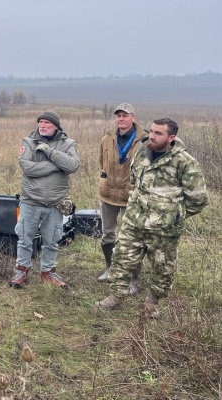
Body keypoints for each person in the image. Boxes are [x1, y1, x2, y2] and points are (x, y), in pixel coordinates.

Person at [96, 118, 208, 318]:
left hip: (163, 229)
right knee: (121, 257)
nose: (152, 136)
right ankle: (116, 296)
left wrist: (172, 216)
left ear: (171, 138)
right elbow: (134, 182)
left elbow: (198, 200)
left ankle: (153, 301)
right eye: (152, 131)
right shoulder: (142, 154)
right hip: (134, 221)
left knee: (162, 267)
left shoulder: (184, 162)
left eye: (158, 133)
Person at [9, 111, 80, 289]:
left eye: (46, 123)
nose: (42, 125)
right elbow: (27, 168)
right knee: (25, 237)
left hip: (55, 202)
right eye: (40, 122)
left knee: (52, 240)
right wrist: (56, 166)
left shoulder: (68, 144)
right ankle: (21, 271)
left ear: (56, 126)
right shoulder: (29, 142)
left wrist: (50, 152)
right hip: (31, 200)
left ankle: (48, 273)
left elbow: (72, 165)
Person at [96, 103, 147, 294]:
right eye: (118, 116)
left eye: (125, 116)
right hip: (108, 193)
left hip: (131, 196)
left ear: (133, 117)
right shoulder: (107, 139)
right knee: (108, 234)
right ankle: (110, 268)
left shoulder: (145, 140)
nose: (121, 119)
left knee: (133, 238)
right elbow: (102, 162)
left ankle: (134, 279)